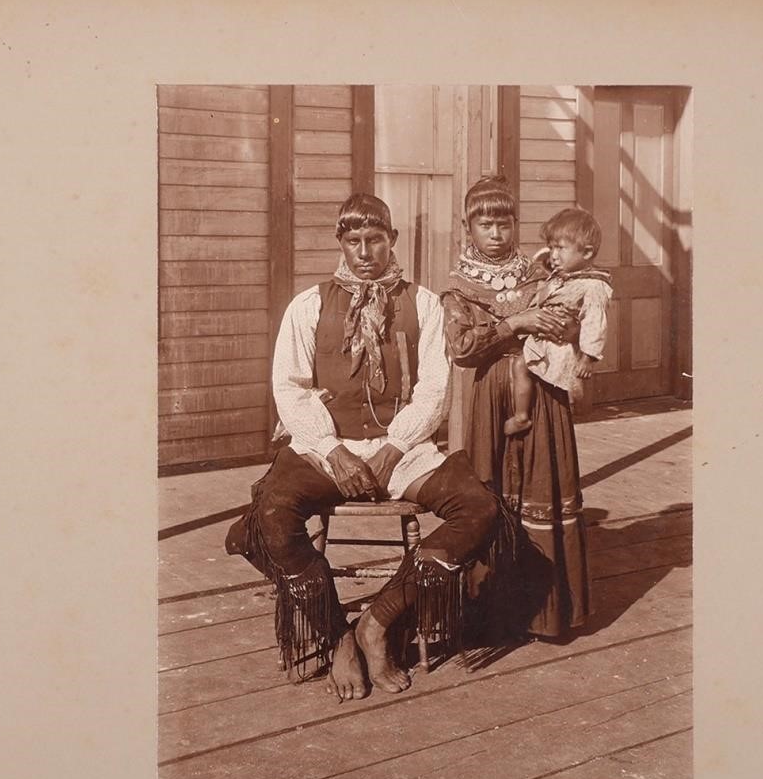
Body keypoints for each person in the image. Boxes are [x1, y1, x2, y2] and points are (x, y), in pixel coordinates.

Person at [225, 193, 505, 701]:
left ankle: (379, 621)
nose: (364, 252)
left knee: (480, 508)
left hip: (403, 449)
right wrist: (333, 450)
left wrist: (394, 447)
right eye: (353, 241)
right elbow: (288, 387)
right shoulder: (308, 305)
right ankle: (337, 637)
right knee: (271, 512)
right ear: (340, 243)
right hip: (326, 449)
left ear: (391, 241)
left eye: (375, 239)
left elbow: (434, 390)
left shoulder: (422, 304)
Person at [439, 176, 592, 639]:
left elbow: (575, 321)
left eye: (504, 223)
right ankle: (496, 616)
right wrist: (517, 322)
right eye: (485, 224)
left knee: (544, 482)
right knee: (492, 491)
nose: (496, 233)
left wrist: (566, 327)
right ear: (469, 228)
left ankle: (548, 614)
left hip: (544, 390)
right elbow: (463, 348)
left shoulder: (544, 274)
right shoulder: (458, 287)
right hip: (489, 397)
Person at [504, 207, 614, 434]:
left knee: (531, 373)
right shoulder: (564, 275)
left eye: (560, 248)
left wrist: (588, 357)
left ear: (587, 253)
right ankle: (523, 415)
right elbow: (543, 275)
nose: (553, 254)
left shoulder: (593, 286)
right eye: (551, 247)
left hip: (559, 345)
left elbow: (595, 323)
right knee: (520, 366)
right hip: (543, 339)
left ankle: (522, 416)